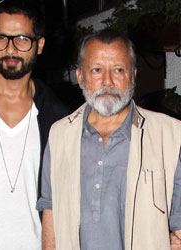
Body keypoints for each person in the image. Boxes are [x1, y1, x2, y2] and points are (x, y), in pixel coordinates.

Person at [37, 29, 181, 250]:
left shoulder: (170, 135)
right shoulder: (59, 135)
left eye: (118, 70)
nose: (108, 82)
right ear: (80, 76)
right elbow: (51, 209)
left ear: (133, 74)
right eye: (96, 70)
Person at [0, 2, 69, 250]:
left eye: (21, 39)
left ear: (39, 45)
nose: (10, 49)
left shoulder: (57, 117)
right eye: (2, 38)